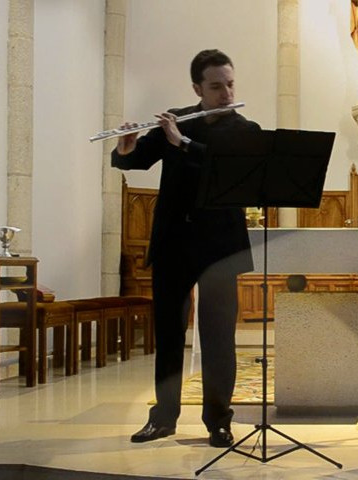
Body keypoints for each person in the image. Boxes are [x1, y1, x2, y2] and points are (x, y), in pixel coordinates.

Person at [112, 49, 255, 448]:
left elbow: (227, 170)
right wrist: (126, 146)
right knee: (169, 335)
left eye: (230, 84)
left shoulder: (244, 129)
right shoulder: (175, 119)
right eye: (216, 86)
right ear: (197, 88)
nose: (226, 93)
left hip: (221, 248)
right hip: (174, 242)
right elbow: (132, 162)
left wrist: (184, 143)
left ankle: (219, 422)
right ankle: (163, 418)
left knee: (218, 337)